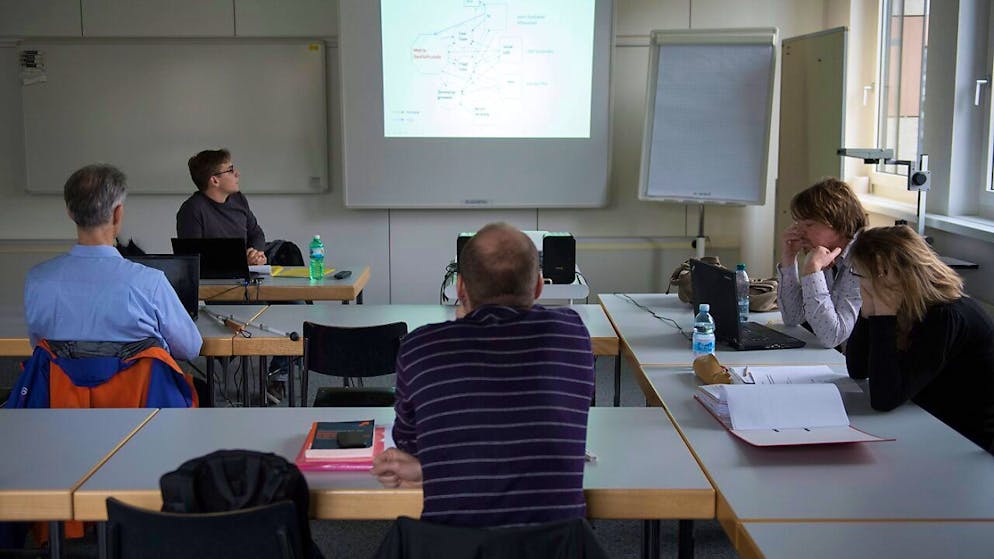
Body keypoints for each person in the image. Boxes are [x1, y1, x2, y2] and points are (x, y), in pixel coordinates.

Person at [371, 223, 595, 527]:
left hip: (451, 547)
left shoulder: (421, 346)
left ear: (460, 288)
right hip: (558, 547)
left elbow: (411, 445)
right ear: (540, 286)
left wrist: (431, 467)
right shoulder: (571, 333)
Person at [25, 164, 203, 361]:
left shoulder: (38, 280)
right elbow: (190, 349)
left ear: (70, 213)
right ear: (118, 213)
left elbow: (39, 347)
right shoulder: (150, 283)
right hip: (138, 391)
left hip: (62, 390)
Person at [845, 226, 994, 453]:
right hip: (929, 421)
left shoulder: (945, 316)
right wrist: (868, 312)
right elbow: (857, 369)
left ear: (890, 275)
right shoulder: (909, 307)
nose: (860, 282)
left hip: (967, 441)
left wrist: (883, 314)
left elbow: (884, 398)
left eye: (862, 275)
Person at [777, 178, 867, 348]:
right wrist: (789, 259)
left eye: (809, 224)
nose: (800, 232)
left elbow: (832, 336)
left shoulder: (863, 259)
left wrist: (812, 271)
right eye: (798, 224)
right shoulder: (827, 251)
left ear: (839, 223)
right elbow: (793, 317)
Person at [177, 148, 267, 265]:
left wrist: (255, 254)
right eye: (230, 171)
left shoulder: (238, 199)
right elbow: (193, 259)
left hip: (245, 274)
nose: (237, 174)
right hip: (212, 281)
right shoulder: (192, 210)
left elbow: (256, 234)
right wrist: (243, 260)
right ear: (214, 181)